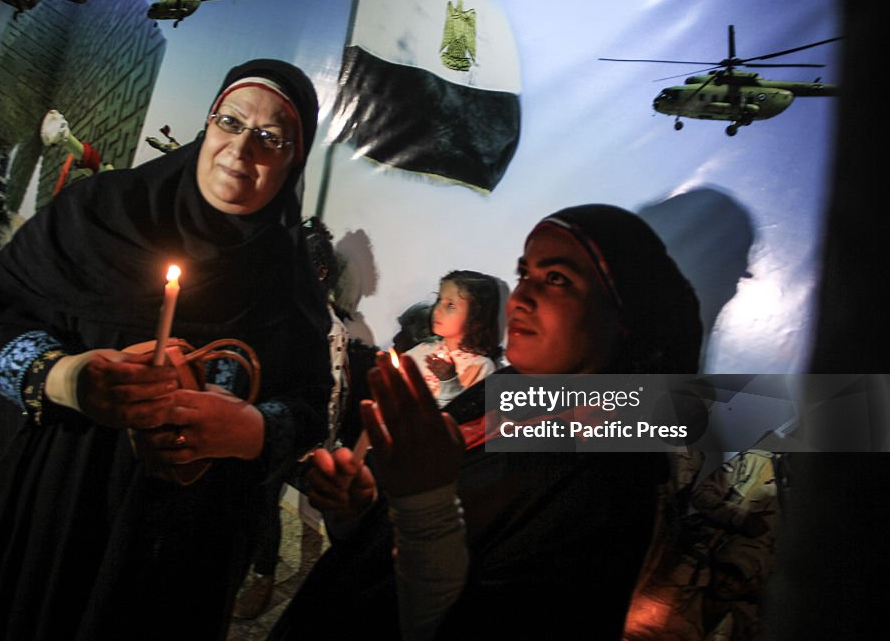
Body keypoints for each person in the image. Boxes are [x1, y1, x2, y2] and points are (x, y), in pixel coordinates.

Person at [0, 59, 331, 640]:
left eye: (272, 138)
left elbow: (311, 404)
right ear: (207, 124)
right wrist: (66, 377)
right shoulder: (97, 214)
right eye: (230, 122)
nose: (241, 152)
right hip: (53, 504)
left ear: (294, 160)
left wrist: (255, 430)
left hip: (181, 547)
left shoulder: (287, 282)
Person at [274, 204, 702, 639]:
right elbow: (394, 536)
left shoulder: (610, 483)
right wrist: (360, 507)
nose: (521, 300)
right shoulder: (511, 391)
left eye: (556, 279)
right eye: (524, 275)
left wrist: (425, 502)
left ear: (625, 313)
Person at [233, 215, 350, 620]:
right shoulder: (277, 309)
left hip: (299, 436)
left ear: (318, 273)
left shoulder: (329, 329)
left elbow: (331, 395)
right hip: (265, 420)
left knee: (266, 500)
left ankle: (263, 574)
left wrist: (314, 444)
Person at [403, 270, 502, 408]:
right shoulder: (419, 352)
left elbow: (462, 416)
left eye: (450, 305)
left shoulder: (480, 367)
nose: (437, 310)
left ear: (476, 318)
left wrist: (448, 380)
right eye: (439, 300)